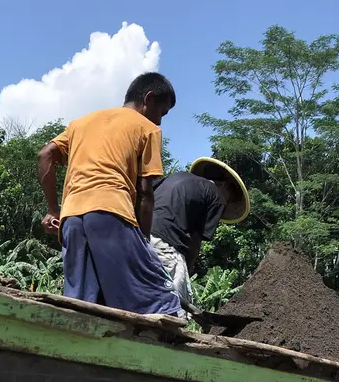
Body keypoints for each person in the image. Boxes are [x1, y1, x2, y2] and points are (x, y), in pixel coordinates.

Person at [36, 72, 181, 316]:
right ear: (149, 98)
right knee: (158, 299)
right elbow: (146, 194)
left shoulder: (80, 123)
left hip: (71, 220)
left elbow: (44, 155)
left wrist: (53, 209)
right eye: (162, 113)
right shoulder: (146, 128)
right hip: (111, 214)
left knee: (83, 306)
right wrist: (143, 243)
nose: (160, 122)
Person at [148, 157, 249, 310]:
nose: (226, 203)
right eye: (230, 199)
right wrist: (186, 269)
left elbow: (146, 197)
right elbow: (195, 242)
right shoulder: (217, 196)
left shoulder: (176, 176)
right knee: (173, 306)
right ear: (226, 187)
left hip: (138, 237)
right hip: (165, 244)